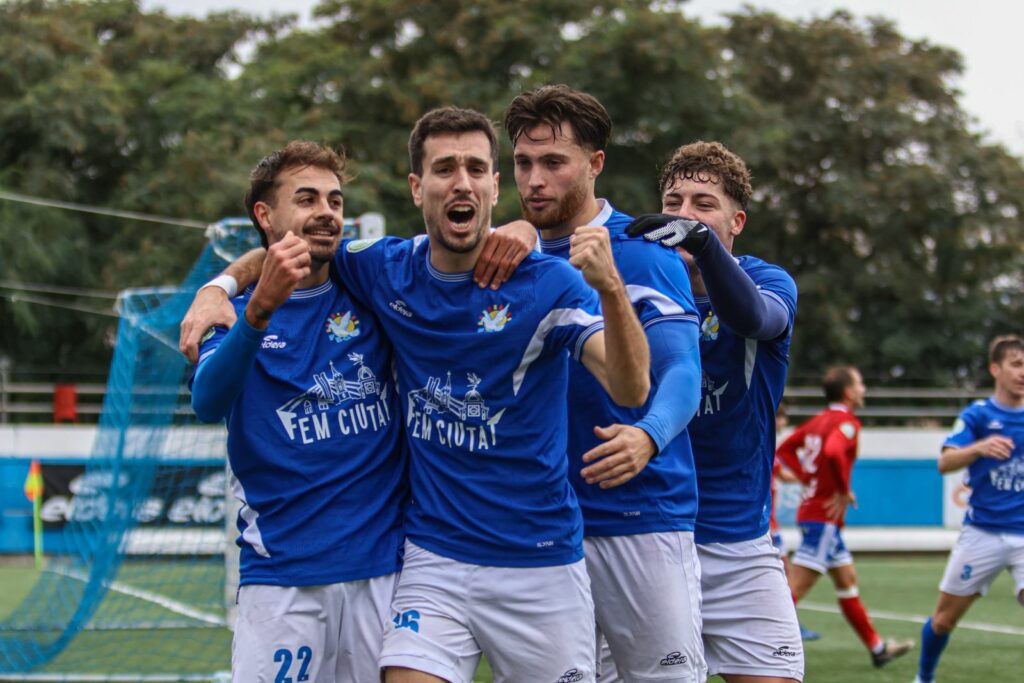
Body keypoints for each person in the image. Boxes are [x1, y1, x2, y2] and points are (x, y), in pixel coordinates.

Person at [182, 106, 652, 683]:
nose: (461, 181)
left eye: (477, 168)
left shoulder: (545, 282)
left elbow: (632, 389)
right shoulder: (382, 271)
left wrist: (608, 288)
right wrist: (220, 286)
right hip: (429, 559)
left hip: (538, 561)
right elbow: (288, 253)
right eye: (445, 168)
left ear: (493, 186)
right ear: (416, 187)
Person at [503, 85, 706, 683]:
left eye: (553, 163)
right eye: (523, 163)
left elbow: (683, 372)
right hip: (540, 525)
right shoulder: (504, 259)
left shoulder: (643, 255)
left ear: (594, 164)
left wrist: (648, 436)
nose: (535, 179)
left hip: (638, 519)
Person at [189, 141, 407, 682]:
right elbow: (207, 401)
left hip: (381, 571)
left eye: (334, 200)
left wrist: (518, 230)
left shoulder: (369, 289)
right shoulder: (235, 313)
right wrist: (254, 309)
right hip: (282, 577)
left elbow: (449, 253)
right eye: (306, 199)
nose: (326, 212)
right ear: (265, 215)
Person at [628, 141, 803, 683]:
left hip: (739, 545)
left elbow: (755, 317)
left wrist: (705, 249)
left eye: (703, 204)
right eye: (673, 201)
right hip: (648, 542)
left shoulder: (769, 282)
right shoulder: (634, 284)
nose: (683, 216)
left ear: (737, 220)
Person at [776, 366, 914, 669]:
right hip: (823, 518)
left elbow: (785, 450)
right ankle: (756, 646)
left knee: (847, 581)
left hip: (816, 515)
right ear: (849, 392)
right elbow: (834, 451)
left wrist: (805, 479)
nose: (864, 389)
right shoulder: (847, 423)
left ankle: (878, 649)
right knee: (792, 591)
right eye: (861, 383)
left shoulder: (816, 422)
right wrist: (841, 489)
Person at [913, 335, 1024, 683]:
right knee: (944, 620)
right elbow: (945, 462)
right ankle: (924, 677)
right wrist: (979, 447)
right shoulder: (977, 415)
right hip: (983, 533)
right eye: (1016, 364)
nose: (1023, 372)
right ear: (996, 369)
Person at [772, 405, 821, 643]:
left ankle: (788, 623)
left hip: (769, 523)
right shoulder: (762, 443)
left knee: (783, 574)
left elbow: (782, 474)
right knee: (784, 575)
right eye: (782, 419)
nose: (783, 424)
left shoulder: (768, 447)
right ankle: (787, 625)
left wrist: (808, 478)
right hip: (767, 524)